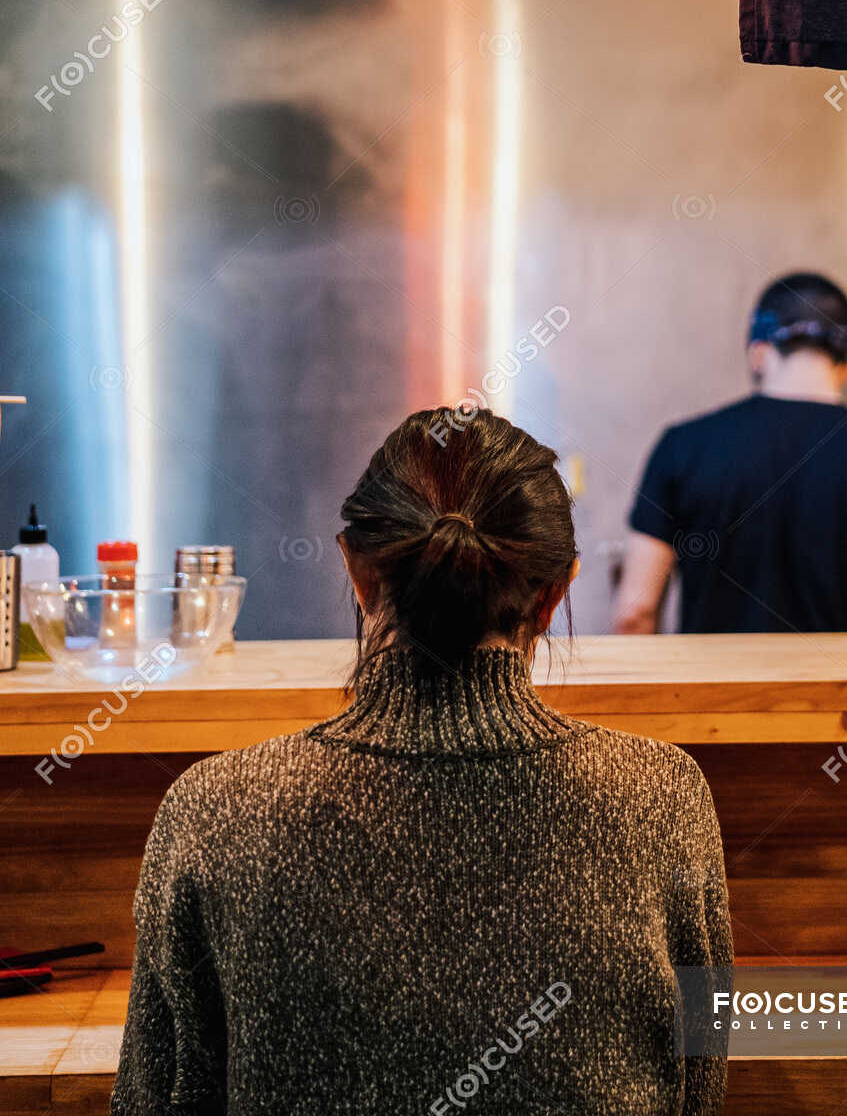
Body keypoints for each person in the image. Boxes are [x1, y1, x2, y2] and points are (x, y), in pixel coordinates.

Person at [111, 410, 731, 1116]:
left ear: (357, 570)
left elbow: (156, 1101)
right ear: (557, 591)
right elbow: (698, 1088)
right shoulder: (663, 797)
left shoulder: (212, 810)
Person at [614, 273, 847, 636]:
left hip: (716, 692)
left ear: (759, 353)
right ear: (845, 366)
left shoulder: (681, 448)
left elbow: (634, 611)